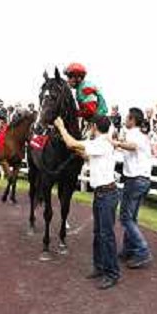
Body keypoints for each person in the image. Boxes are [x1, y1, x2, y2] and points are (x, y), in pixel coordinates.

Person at [54, 114, 120, 290]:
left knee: (106, 235)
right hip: (102, 194)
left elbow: (72, 143)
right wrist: (77, 150)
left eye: (91, 126)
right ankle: (100, 267)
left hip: (106, 195)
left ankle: (112, 273)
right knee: (99, 233)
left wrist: (61, 127)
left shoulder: (101, 143)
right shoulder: (101, 144)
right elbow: (87, 156)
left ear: (95, 127)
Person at [112, 108, 153, 268]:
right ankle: (129, 249)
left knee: (125, 217)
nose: (125, 120)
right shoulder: (142, 135)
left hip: (135, 180)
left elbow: (133, 146)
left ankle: (142, 251)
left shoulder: (133, 134)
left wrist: (116, 143)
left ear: (132, 119)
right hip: (143, 180)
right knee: (131, 217)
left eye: (127, 117)